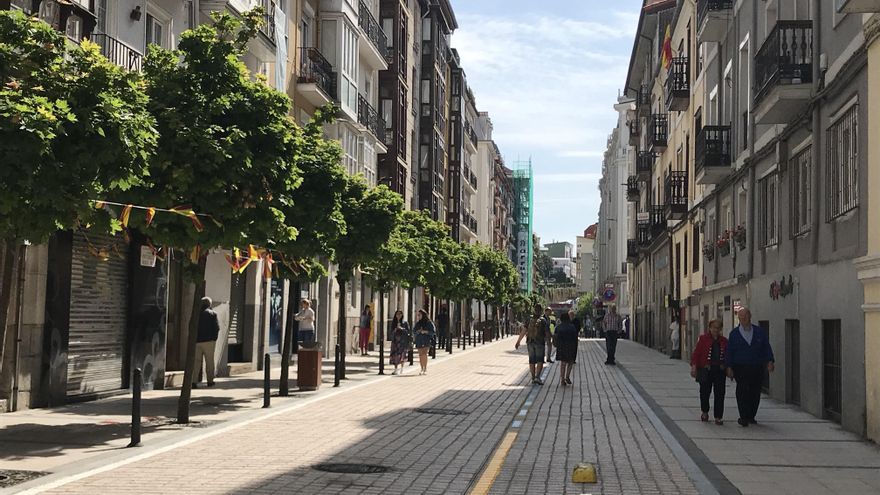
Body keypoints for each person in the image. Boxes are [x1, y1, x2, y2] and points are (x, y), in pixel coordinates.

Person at [726, 308, 775, 427]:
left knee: (755, 391)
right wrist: (729, 367)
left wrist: (770, 361)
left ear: (750, 316)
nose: (743, 319)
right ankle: (743, 416)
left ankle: (751, 415)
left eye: (745, 317)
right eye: (741, 317)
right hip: (740, 367)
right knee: (742, 390)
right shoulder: (734, 334)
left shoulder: (759, 332)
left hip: (756, 366)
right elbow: (730, 351)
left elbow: (766, 347)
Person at [691, 320, 729, 425]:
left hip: (720, 370)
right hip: (705, 370)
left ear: (720, 329)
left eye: (718, 327)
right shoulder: (703, 339)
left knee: (720, 393)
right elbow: (696, 353)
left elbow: (728, 355)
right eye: (713, 327)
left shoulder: (724, 341)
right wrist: (694, 366)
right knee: (704, 392)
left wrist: (729, 367)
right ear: (710, 328)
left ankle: (718, 416)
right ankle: (705, 411)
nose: (715, 330)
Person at [515, 304, 548, 385]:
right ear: (541, 310)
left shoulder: (529, 319)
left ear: (534, 310)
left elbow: (524, 330)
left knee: (531, 360)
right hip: (540, 342)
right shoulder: (543, 320)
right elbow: (547, 332)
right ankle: (538, 377)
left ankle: (533, 378)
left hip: (530, 342)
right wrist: (550, 340)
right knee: (540, 360)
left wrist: (518, 341)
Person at [194, 297, 220, 388]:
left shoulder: (196, 314)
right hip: (209, 341)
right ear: (210, 304)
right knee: (209, 361)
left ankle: (193, 381)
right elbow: (217, 328)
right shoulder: (213, 314)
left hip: (197, 341)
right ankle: (210, 381)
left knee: (196, 362)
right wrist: (214, 338)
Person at [555, 312, 578, 386]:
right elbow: (575, 337)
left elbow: (555, 337)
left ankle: (562, 379)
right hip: (571, 346)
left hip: (561, 346)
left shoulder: (558, 327)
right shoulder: (572, 327)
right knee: (570, 362)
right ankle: (567, 376)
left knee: (563, 363)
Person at [412, 309, 436, 375]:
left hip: (426, 340)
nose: (418, 316)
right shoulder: (418, 323)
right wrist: (418, 331)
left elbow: (433, 332)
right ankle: (421, 368)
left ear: (423, 315)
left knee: (424, 354)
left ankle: (425, 368)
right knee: (420, 354)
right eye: (418, 315)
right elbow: (414, 331)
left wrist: (425, 332)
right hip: (419, 340)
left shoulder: (429, 323)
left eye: (419, 315)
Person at [389, 310, 411, 375]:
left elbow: (408, 332)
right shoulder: (394, 323)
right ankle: (395, 369)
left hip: (402, 341)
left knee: (402, 355)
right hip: (395, 342)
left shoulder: (405, 323)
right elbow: (391, 333)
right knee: (395, 355)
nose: (398, 316)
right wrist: (395, 330)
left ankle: (402, 368)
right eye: (397, 314)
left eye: (400, 314)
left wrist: (402, 329)